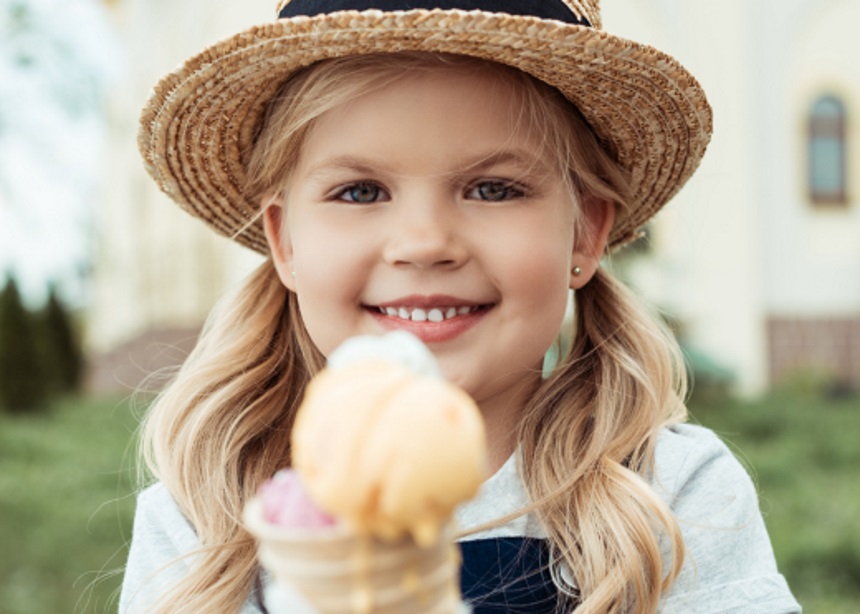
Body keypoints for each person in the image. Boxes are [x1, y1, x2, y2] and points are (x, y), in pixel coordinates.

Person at [121, 1, 801, 613]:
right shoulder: (203, 518)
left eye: (494, 189)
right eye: (359, 192)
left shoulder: (672, 497)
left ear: (585, 233)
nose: (424, 244)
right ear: (285, 242)